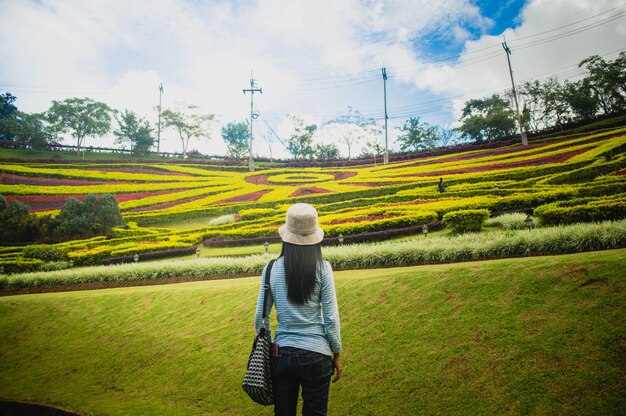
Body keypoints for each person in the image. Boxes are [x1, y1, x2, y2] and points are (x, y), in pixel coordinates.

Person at [254, 203, 342, 416]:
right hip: (316, 354)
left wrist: (267, 347)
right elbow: (330, 316)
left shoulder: (271, 268)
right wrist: (336, 352)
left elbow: (261, 317)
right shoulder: (323, 268)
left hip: (281, 354)